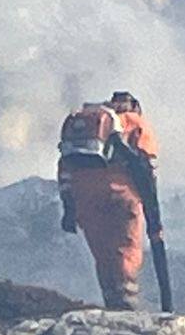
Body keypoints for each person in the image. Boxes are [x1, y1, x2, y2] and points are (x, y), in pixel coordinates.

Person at [57, 90, 162, 310]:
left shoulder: (84, 125)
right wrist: (153, 213)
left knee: (103, 253)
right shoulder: (135, 123)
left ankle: (112, 302)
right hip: (122, 194)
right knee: (126, 250)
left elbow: (64, 169)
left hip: (84, 195)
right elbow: (147, 167)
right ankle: (127, 305)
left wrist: (69, 207)